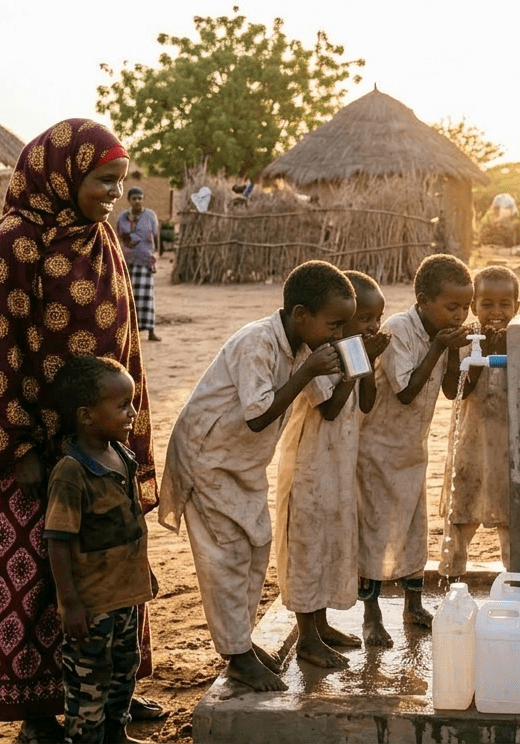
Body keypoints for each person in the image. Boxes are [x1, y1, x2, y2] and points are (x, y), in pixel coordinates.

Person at [0, 119, 157, 744]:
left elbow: (124, 343)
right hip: (28, 448)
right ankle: (34, 712)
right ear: (62, 175)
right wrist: (19, 450)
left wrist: (123, 432)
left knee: (110, 562)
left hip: (99, 440)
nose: (113, 194)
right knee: (37, 573)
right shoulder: (15, 244)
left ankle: (110, 695)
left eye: (119, 183)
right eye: (102, 181)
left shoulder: (101, 239)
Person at [159, 260, 354, 691]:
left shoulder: (304, 348)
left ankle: (239, 645)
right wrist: (307, 372)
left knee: (256, 547)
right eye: (334, 324)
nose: (338, 334)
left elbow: (330, 406)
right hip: (207, 459)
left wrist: (357, 366)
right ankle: (237, 655)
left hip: (243, 466)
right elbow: (258, 417)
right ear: (301, 315)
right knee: (225, 557)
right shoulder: (258, 343)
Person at [273, 270, 388, 670]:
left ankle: (320, 626)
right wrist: (358, 364)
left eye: (377, 318)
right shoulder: (315, 356)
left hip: (337, 466)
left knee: (330, 544)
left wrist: (367, 362)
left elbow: (368, 402)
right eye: (363, 320)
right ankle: (306, 638)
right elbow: (332, 407)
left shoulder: (353, 351)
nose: (372, 326)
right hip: (309, 467)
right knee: (307, 548)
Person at [357, 254, 472, 646]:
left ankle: (413, 603)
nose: (459, 315)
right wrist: (440, 347)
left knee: (413, 527)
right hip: (376, 449)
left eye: (465, 308)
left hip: (412, 448)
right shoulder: (397, 330)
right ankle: (371, 616)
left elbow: (449, 389)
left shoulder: (445, 334)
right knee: (375, 531)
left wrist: (454, 350)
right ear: (423, 301)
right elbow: (405, 391)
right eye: (451, 307)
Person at [44, 357, 154, 744]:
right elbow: (58, 540)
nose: (132, 412)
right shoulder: (71, 472)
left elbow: (130, 522)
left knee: (125, 668)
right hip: (92, 606)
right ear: (86, 415)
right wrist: (69, 602)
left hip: (125, 596)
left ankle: (116, 735)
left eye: (132, 402)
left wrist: (145, 573)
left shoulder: (122, 456)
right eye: (122, 405)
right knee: (89, 681)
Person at [439, 266, 520, 578]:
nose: (496, 312)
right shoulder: (463, 340)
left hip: (512, 448)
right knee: (460, 515)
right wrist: (482, 350)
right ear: (474, 307)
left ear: (517, 307)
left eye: (504, 304)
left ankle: (517, 584)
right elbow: (453, 391)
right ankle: (450, 581)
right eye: (487, 304)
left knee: (513, 519)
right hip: (470, 444)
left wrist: (504, 348)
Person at [116, 188, 160, 342]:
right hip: (127, 262)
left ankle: (151, 331)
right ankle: (130, 332)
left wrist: (156, 253)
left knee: (147, 298)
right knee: (129, 297)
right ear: (129, 200)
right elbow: (121, 236)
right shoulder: (123, 218)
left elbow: (153, 235)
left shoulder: (150, 216)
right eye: (134, 198)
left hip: (145, 261)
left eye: (140, 198)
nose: (137, 201)